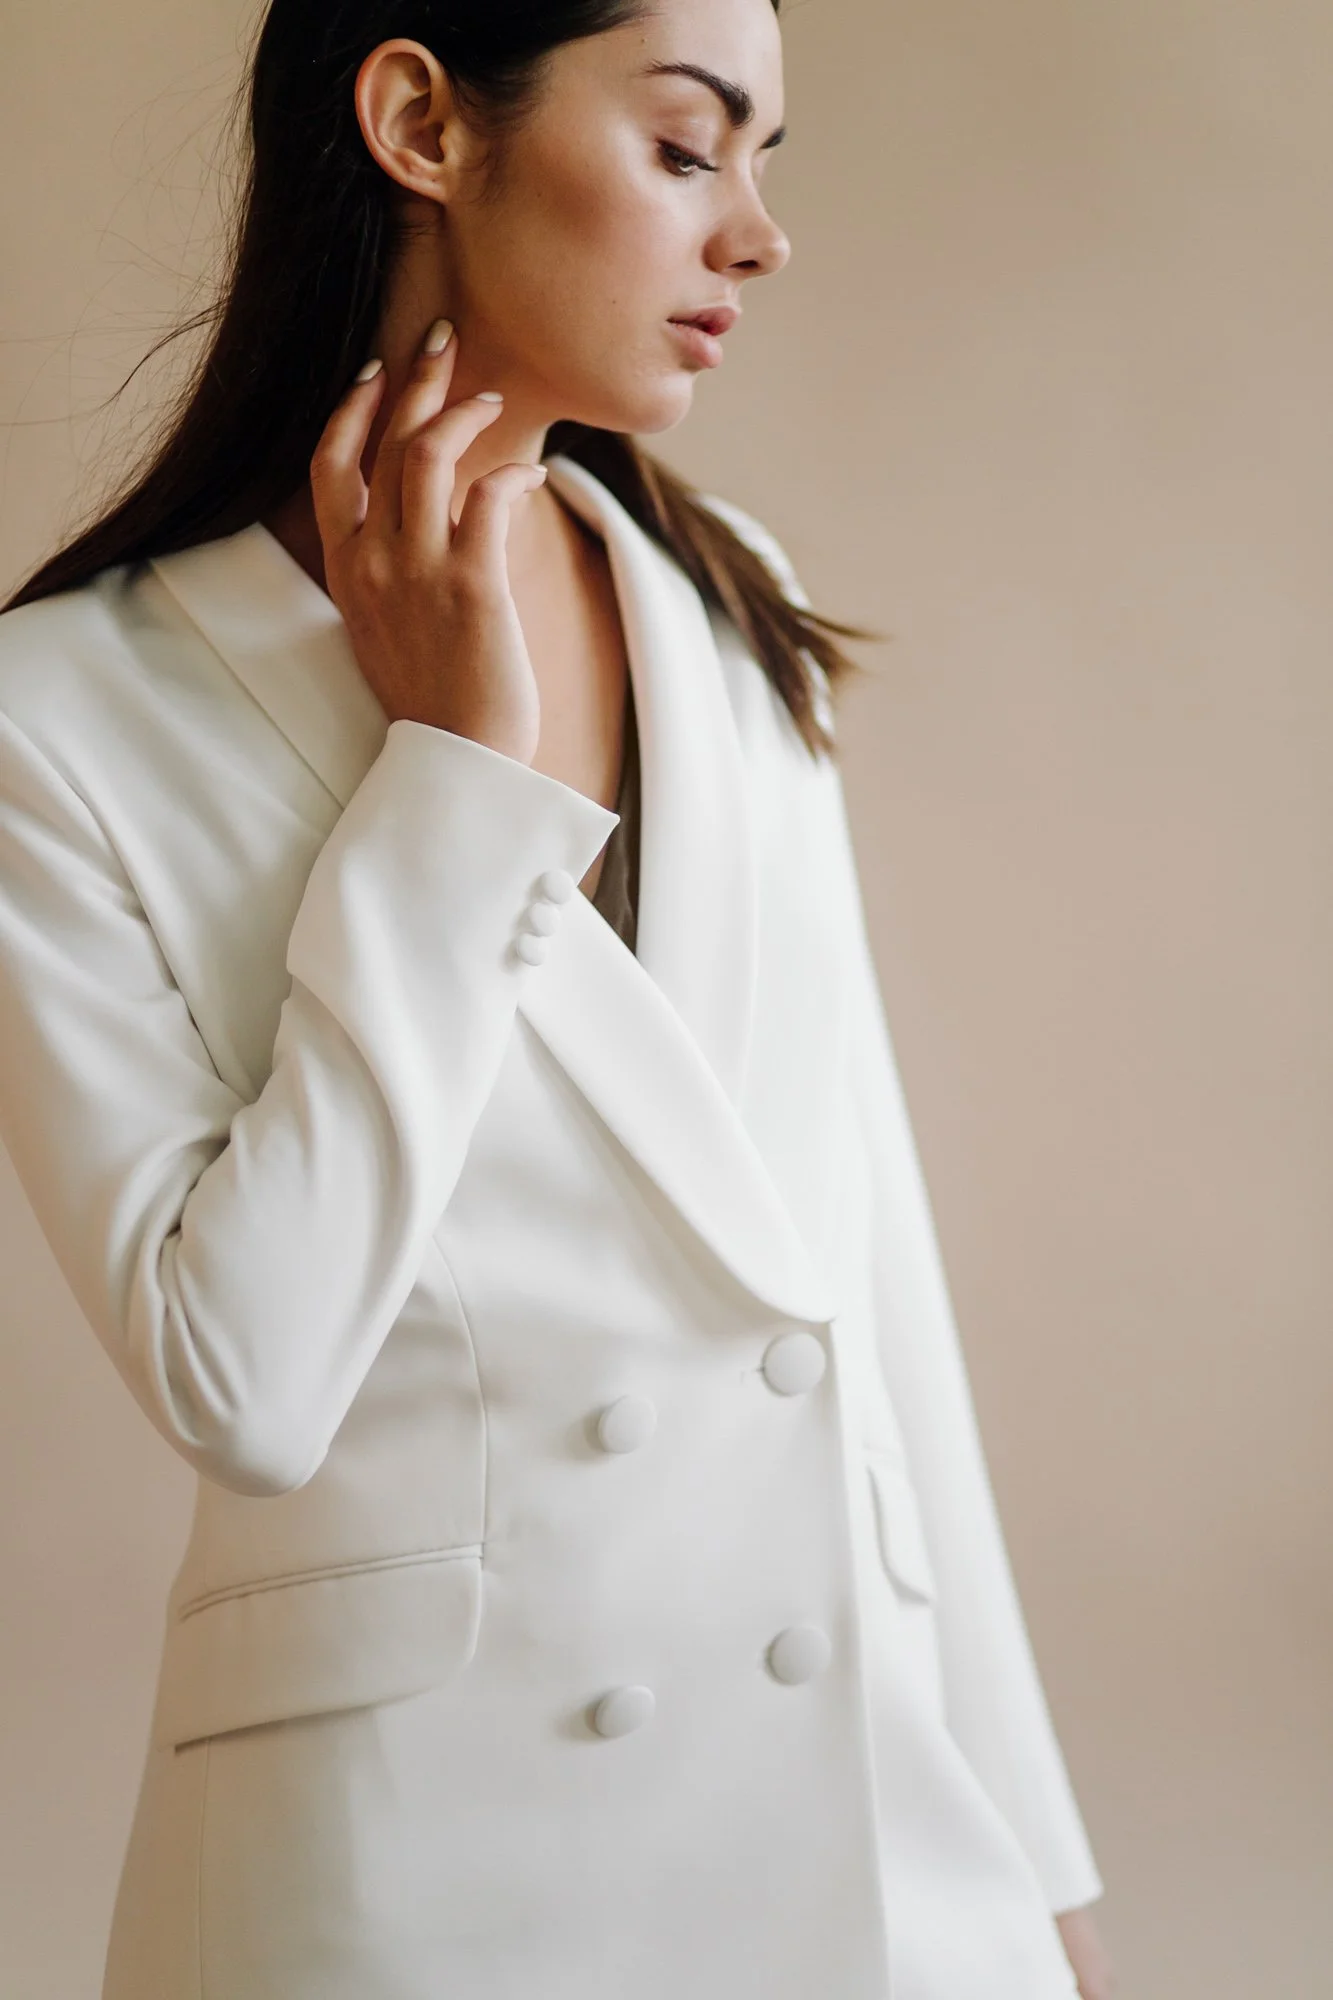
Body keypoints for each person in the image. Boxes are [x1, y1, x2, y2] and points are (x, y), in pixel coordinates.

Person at [0, 2, 1116, 1996]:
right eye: (691, 147)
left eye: (768, 160)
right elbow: (243, 1378)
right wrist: (453, 788)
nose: (758, 233)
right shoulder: (60, 718)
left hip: (859, 1858)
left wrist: (1033, 1871)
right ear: (423, 120)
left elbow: (869, 1285)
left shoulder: (730, 617)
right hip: (398, 1883)